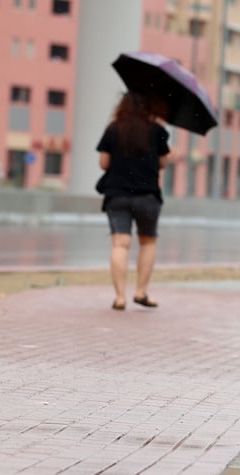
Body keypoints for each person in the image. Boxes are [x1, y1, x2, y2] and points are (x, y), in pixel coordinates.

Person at [96, 91, 171, 311]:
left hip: (117, 195)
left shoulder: (113, 129)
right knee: (147, 242)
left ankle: (120, 297)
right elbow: (163, 163)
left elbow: (103, 163)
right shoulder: (158, 131)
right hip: (147, 196)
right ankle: (140, 292)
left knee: (120, 243)